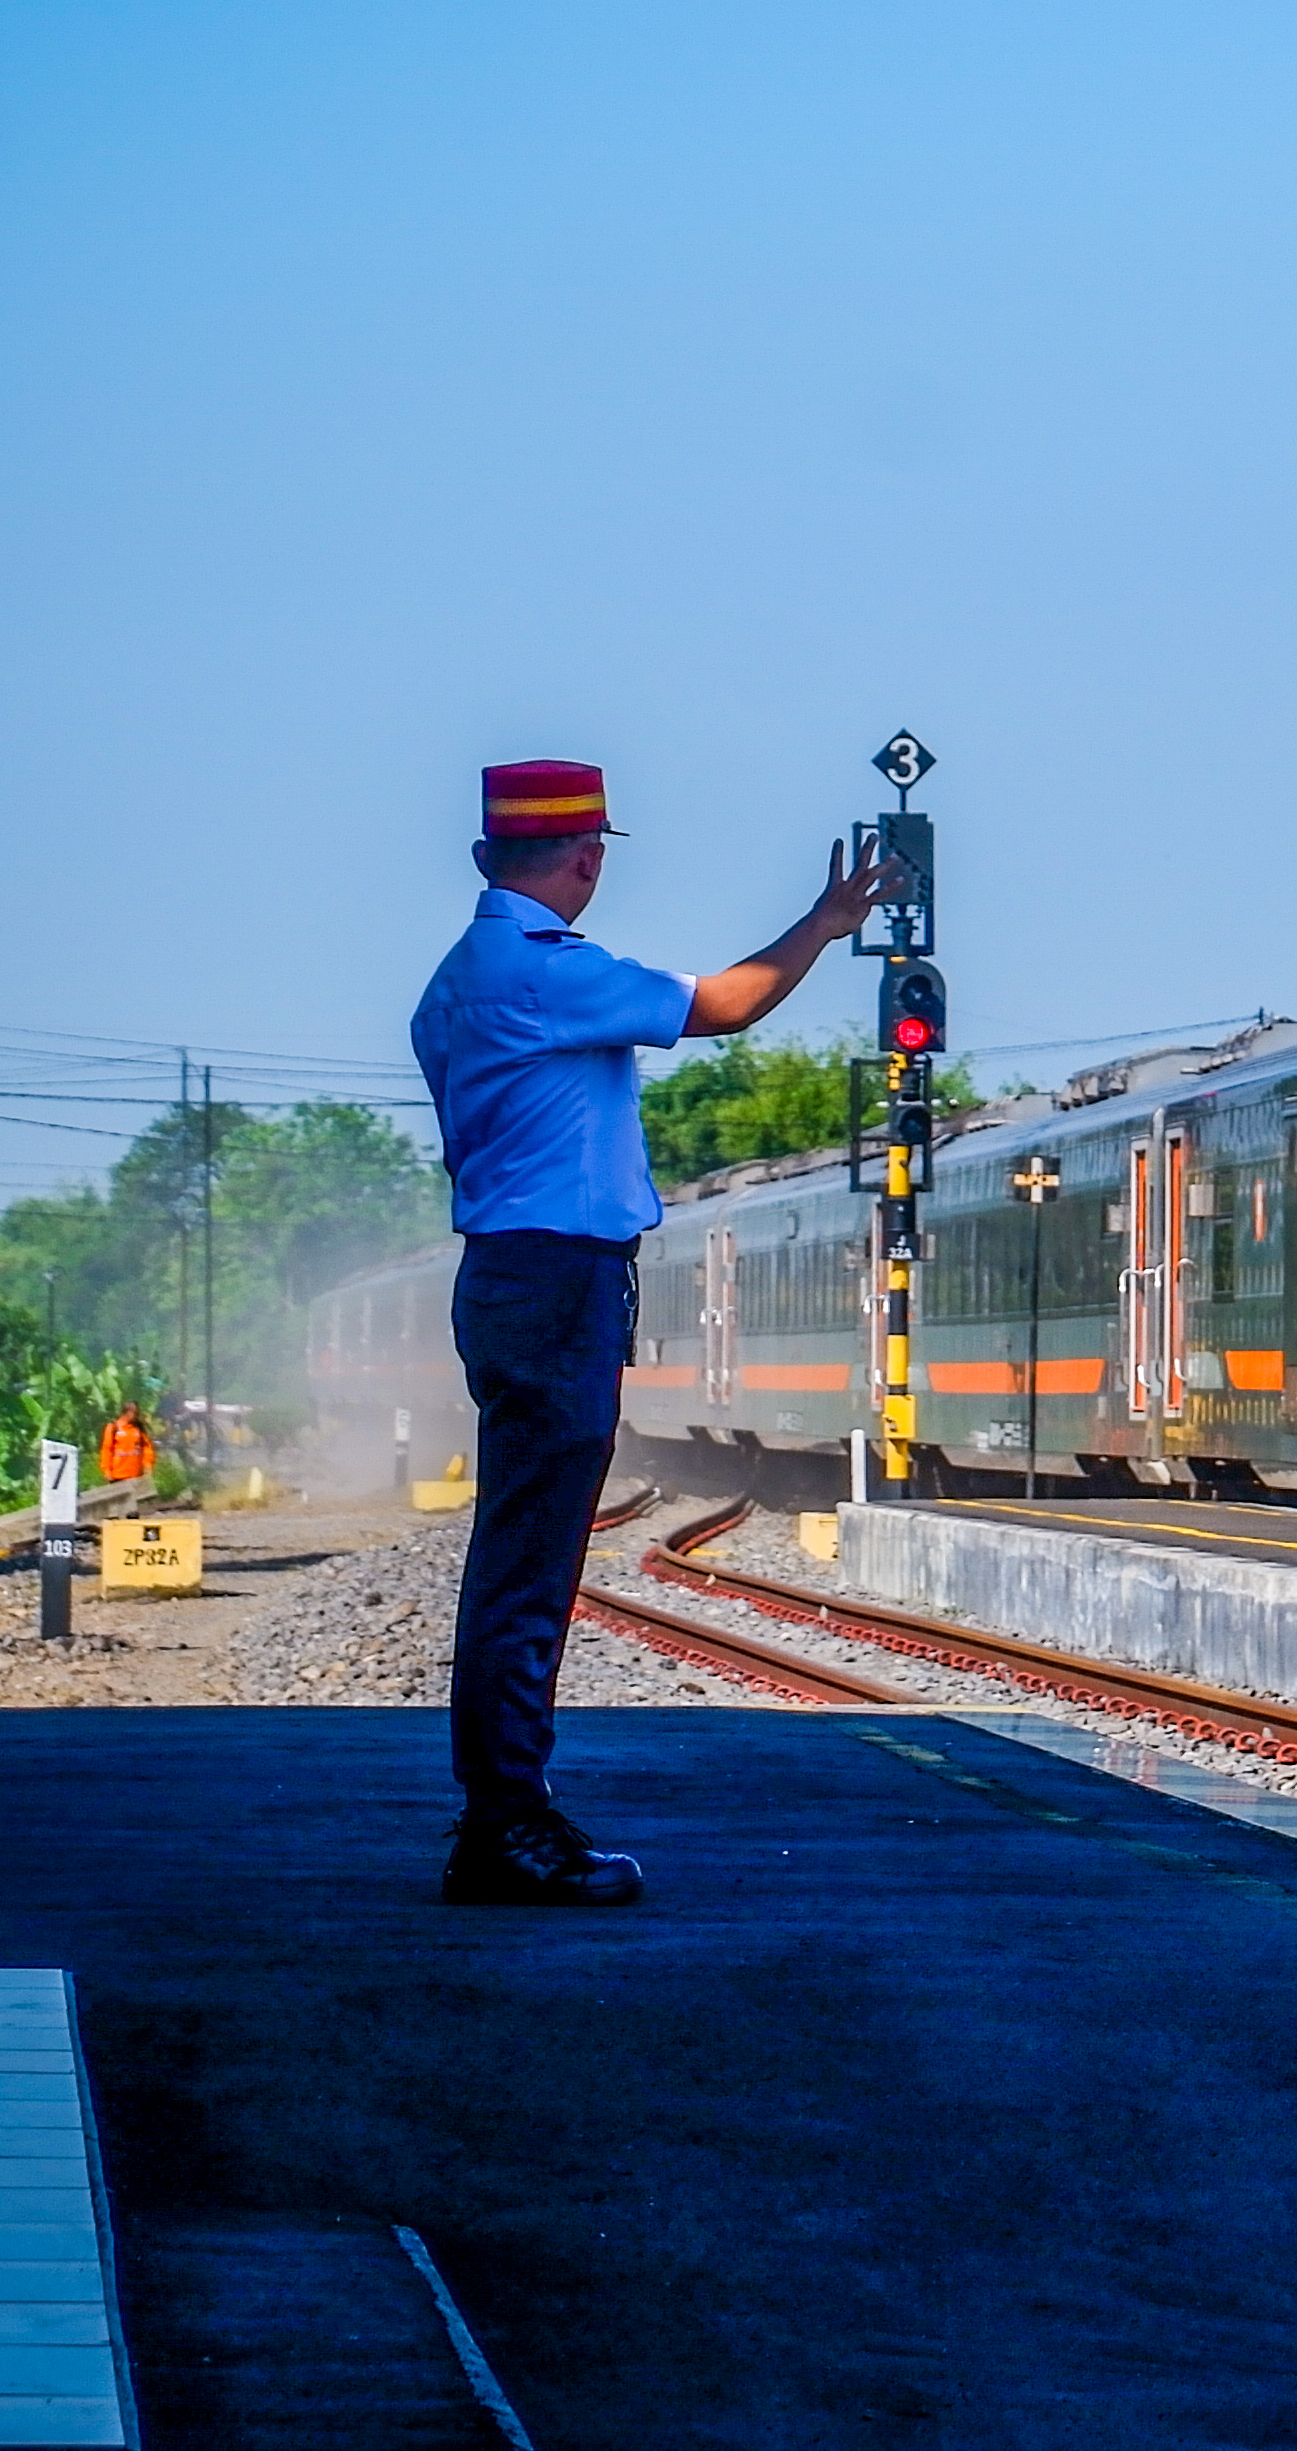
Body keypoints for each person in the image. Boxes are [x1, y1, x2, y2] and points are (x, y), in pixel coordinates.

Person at [409, 760, 886, 1907]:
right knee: (530, 1565)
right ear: (586, 856)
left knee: (521, 1556)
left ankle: (503, 1813)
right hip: (555, 1281)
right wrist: (823, 924)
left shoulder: (454, 982)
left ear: (487, 858)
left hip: (517, 1275)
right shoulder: (545, 972)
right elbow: (724, 1002)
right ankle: (507, 1826)